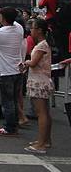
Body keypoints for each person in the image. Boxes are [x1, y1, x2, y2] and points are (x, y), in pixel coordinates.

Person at [0, 6, 25, 136]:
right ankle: (14, 124)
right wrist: (0, 10)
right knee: (14, 99)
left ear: (2, 18)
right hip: (17, 71)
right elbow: (15, 18)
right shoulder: (19, 29)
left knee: (7, 102)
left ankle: (9, 127)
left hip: (5, 72)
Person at [21, 18, 53, 154]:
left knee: (41, 113)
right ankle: (46, 140)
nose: (31, 31)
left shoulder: (41, 45)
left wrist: (26, 62)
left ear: (39, 30)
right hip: (41, 80)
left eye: (33, 28)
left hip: (39, 82)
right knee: (45, 112)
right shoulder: (43, 44)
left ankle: (41, 144)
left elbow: (33, 63)